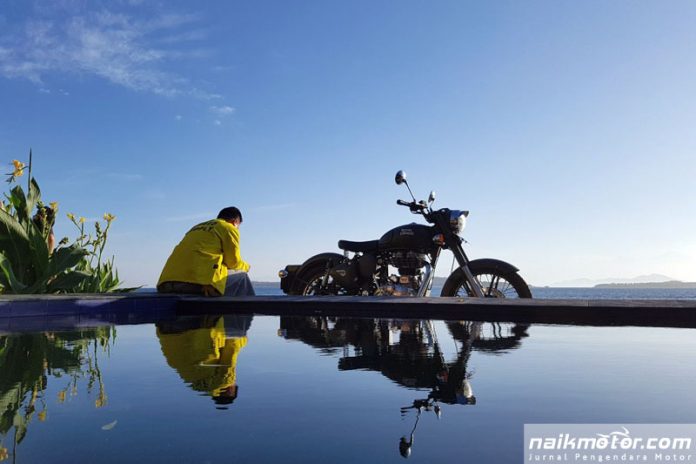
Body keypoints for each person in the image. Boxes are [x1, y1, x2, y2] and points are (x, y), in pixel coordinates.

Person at [157, 206, 255, 296]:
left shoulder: (195, 228)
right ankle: (251, 309)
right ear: (235, 222)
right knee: (242, 276)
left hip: (166, 284)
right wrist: (246, 267)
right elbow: (233, 262)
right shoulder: (228, 228)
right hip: (198, 284)